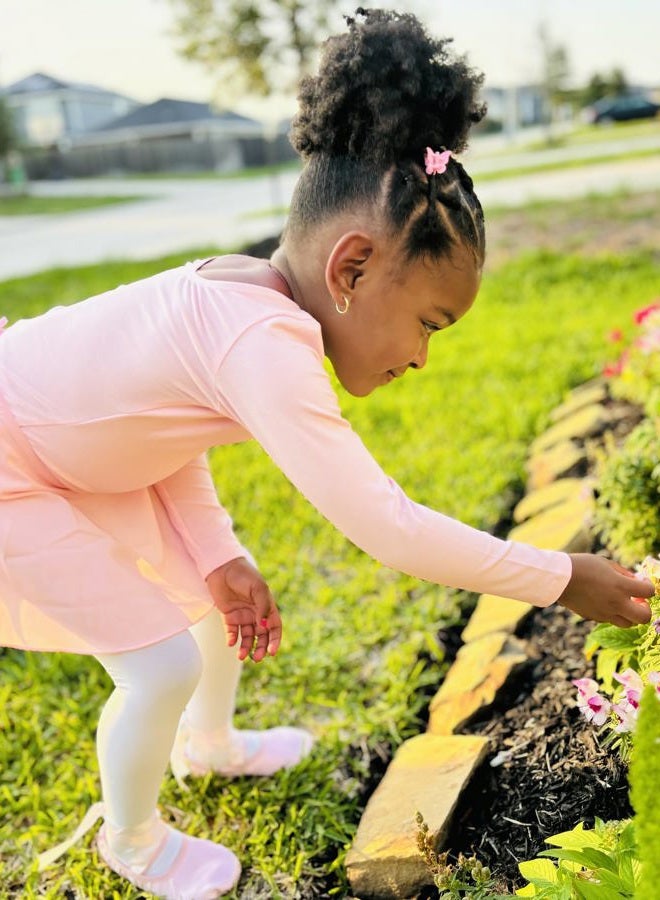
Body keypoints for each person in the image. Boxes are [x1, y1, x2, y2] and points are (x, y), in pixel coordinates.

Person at [1, 8, 653, 899]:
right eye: (428, 324)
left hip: (61, 448)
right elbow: (388, 527)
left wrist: (220, 552)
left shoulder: (245, 300)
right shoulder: (263, 342)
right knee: (159, 662)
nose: (422, 357)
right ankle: (135, 836)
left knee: (211, 598)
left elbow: (165, 437)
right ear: (350, 270)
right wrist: (557, 575)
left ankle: (209, 745)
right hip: (11, 463)